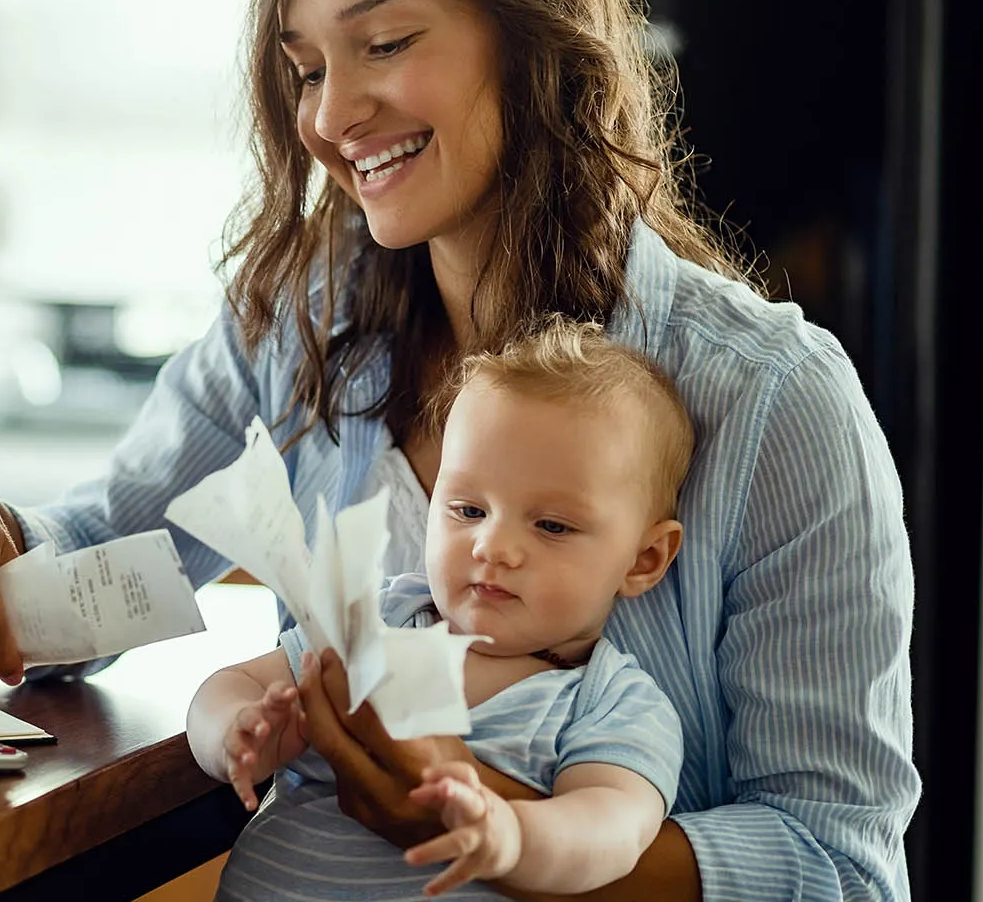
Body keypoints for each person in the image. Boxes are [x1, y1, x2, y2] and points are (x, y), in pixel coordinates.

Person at [0, 0, 919, 897]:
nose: (329, 116)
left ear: (530, 36)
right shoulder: (296, 330)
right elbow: (102, 567)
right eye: (307, 68)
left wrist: (494, 827)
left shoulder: (774, 401)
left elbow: (840, 861)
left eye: (384, 45)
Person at [193, 319, 690, 899]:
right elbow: (231, 683)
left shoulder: (610, 704)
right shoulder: (380, 620)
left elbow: (613, 831)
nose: (491, 547)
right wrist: (235, 731)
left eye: (552, 525)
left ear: (643, 560)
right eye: (468, 510)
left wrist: (514, 834)